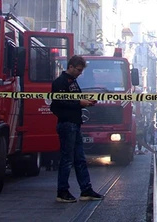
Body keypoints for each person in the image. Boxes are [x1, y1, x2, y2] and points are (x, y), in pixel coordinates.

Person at [51, 55, 104, 203]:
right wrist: (80, 103)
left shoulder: (72, 82)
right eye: (79, 70)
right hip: (67, 124)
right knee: (67, 160)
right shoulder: (60, 82)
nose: (80, 73)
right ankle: (62, 192)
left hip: (75, 123)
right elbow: (59, 102)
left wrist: (85, 102)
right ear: (71, 67)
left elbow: (72, 99)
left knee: (80, 159)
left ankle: (86, 190)